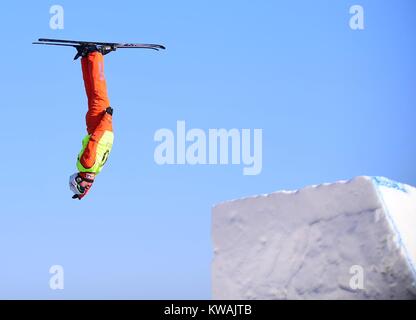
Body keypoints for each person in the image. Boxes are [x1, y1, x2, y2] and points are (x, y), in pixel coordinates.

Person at [69, 45, 116, 200]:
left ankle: (92, 55)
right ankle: (91, 56)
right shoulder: (88, 168)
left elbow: (95, 140)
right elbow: (95, 139)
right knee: (94, 90)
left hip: (100, 125)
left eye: (81, 187)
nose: (86, 187)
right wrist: (83, 194)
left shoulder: (90, 167)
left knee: (97, 89)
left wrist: (107, 118)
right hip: (97, 124)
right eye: (82, 188)